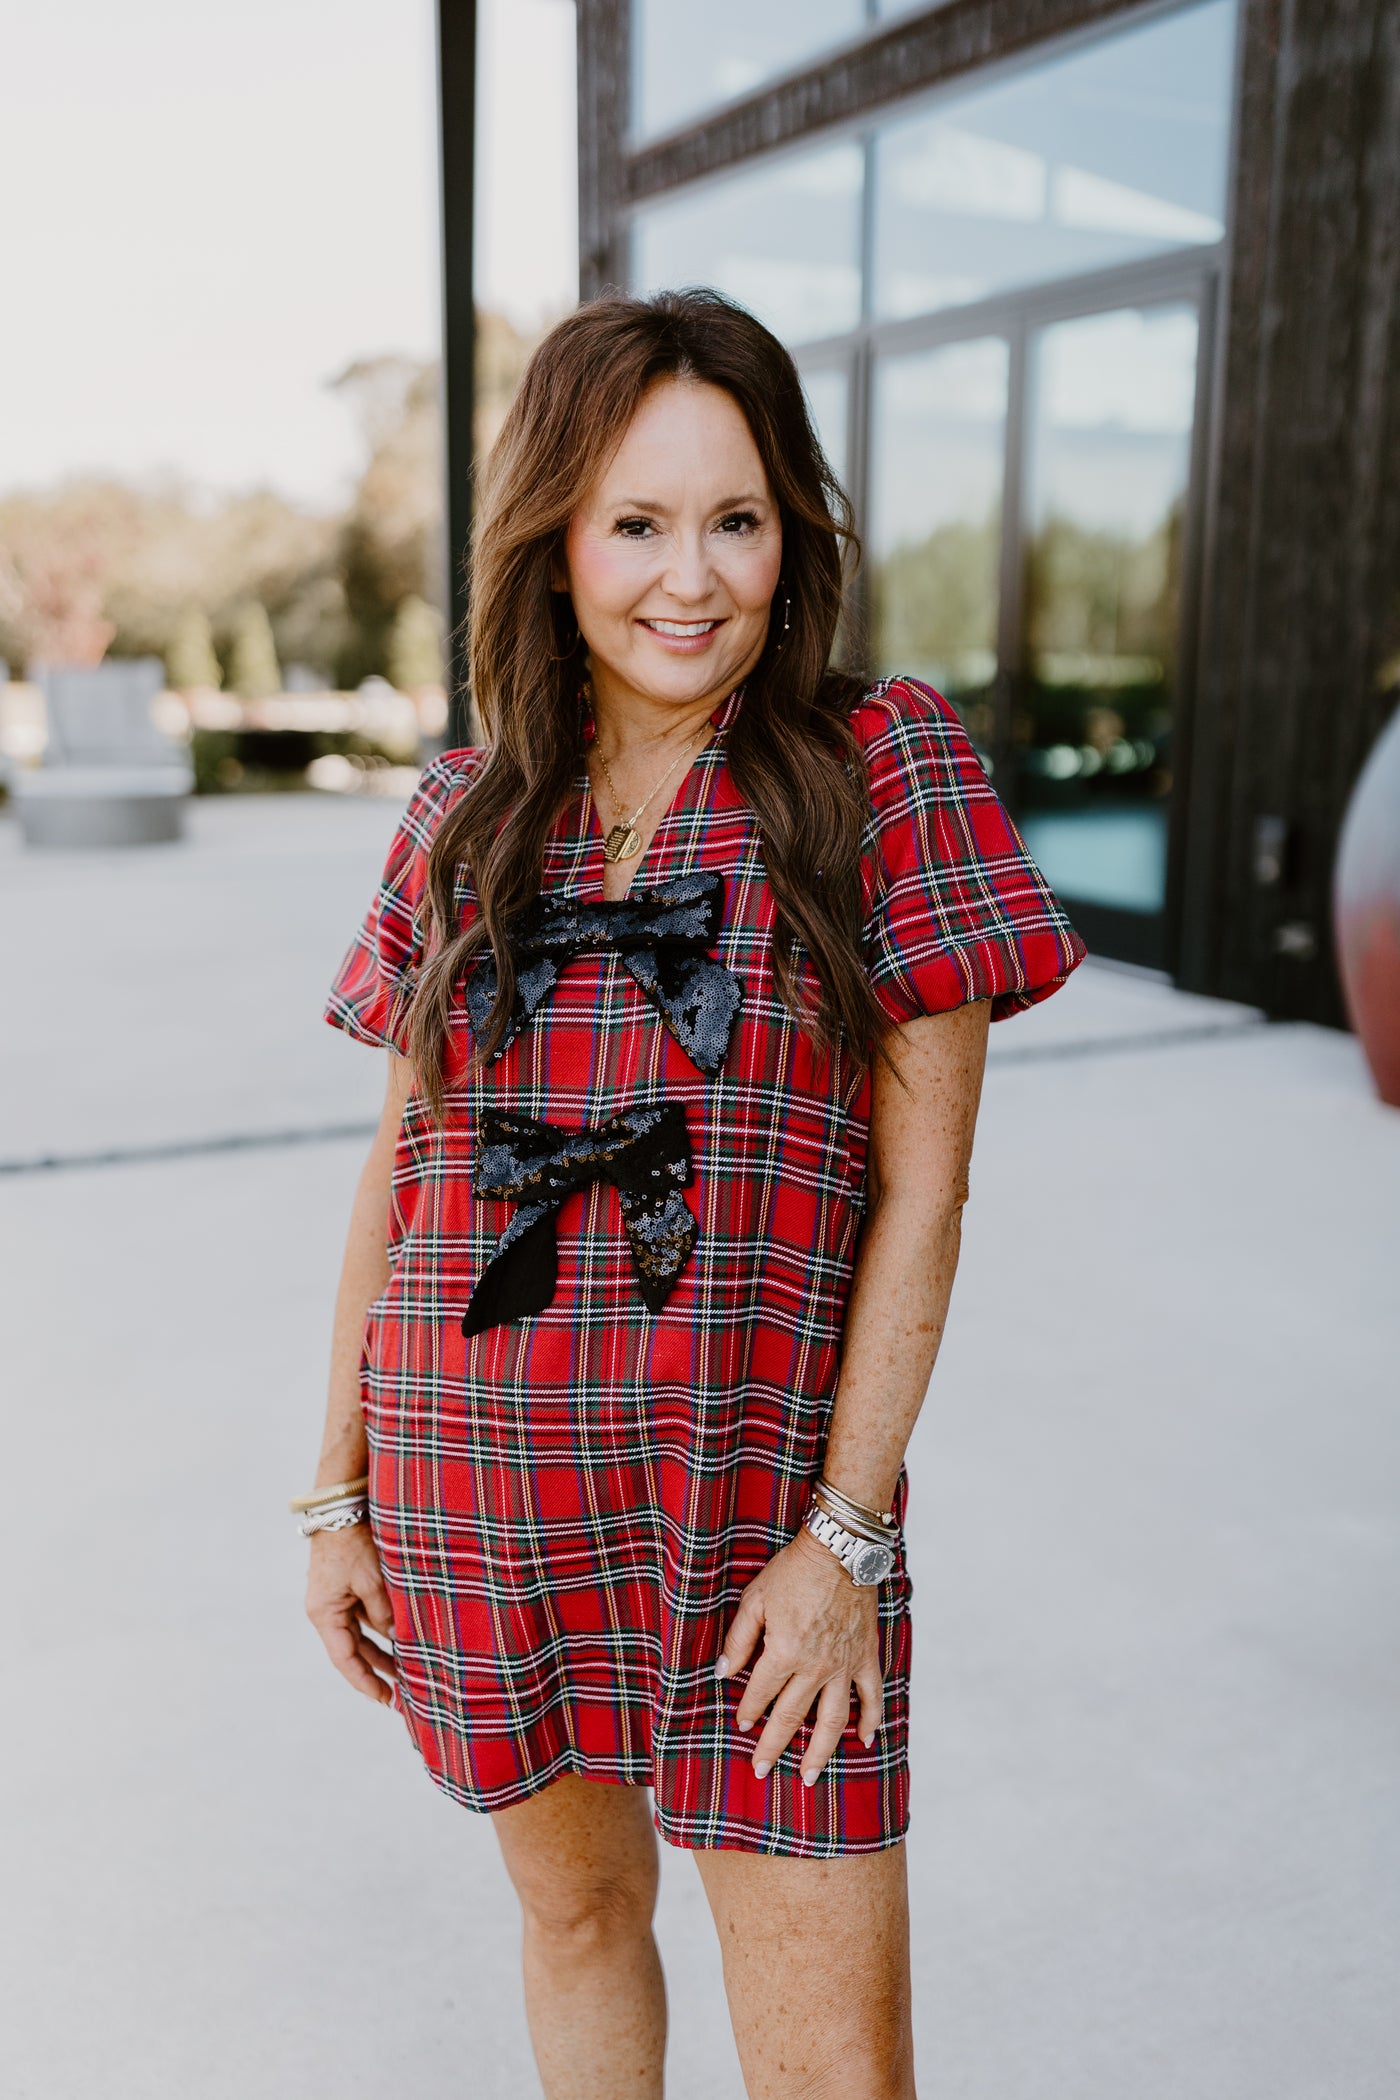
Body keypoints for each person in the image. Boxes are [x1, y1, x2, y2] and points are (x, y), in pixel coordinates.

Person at [297, 288, 1084, 2098]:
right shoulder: (467, 811)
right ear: (554, 539)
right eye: (635, 521)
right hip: (478, 1488)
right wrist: (332, 1486)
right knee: (575, 1927)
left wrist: (847, 1543)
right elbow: (398, 1173)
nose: (691, 576)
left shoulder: (882, 764)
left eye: (735, 518)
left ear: (789, 532)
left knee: (835, 2072)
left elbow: (927, 1197)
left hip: (761, 1525)